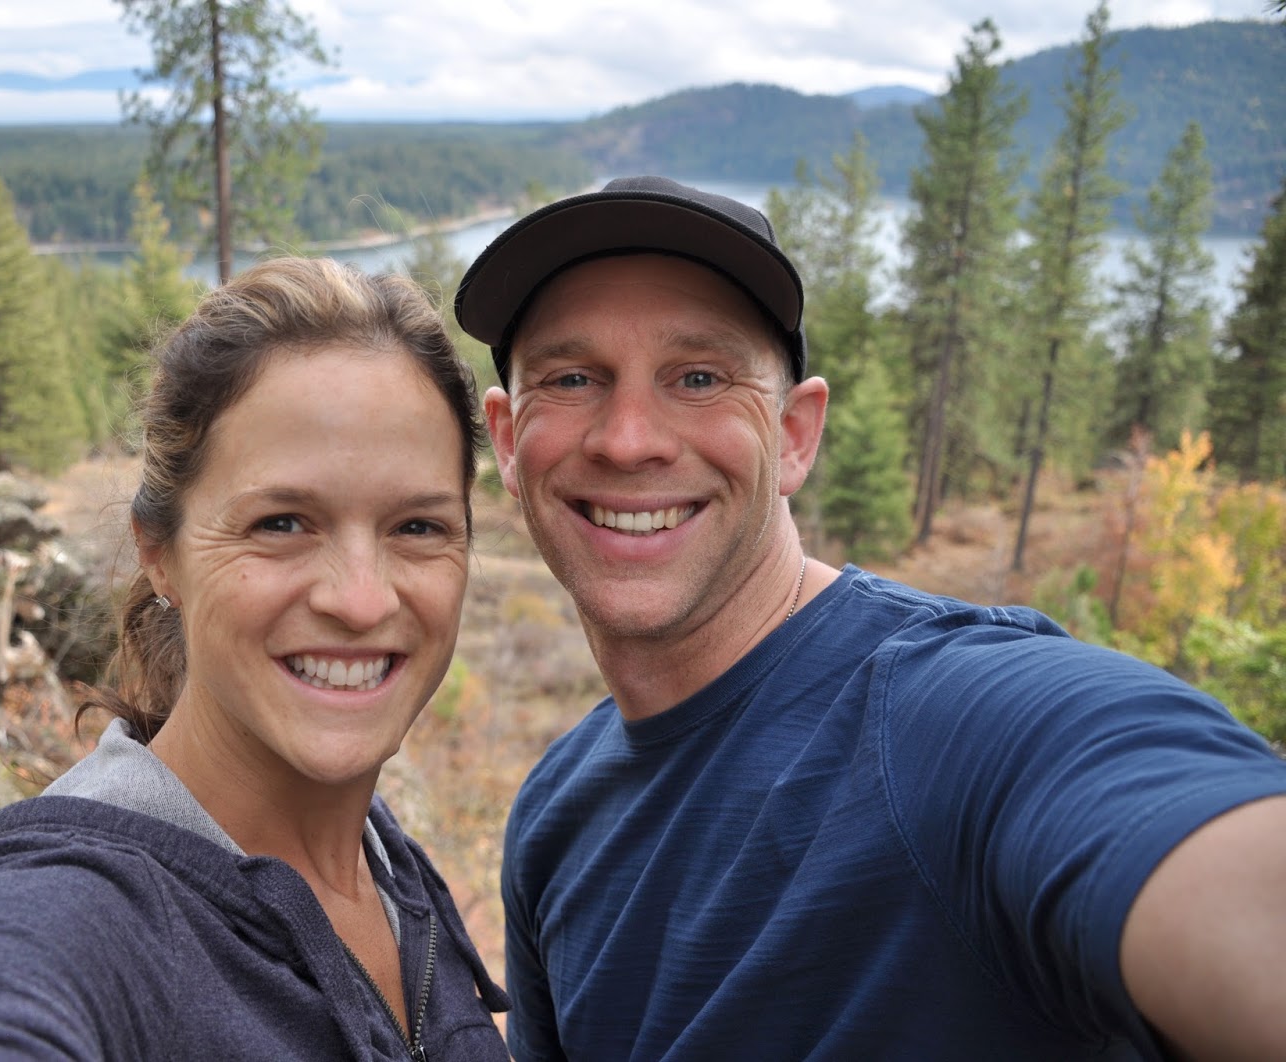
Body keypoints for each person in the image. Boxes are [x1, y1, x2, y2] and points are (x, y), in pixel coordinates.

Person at [454, 175, 1286, 1061]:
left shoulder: (953, 721)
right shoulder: (555, 815)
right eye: (573, 379)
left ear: (795, 436)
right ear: (506, 440)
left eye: (699, 378)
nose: (628, 439)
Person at [0, 257, 510, 1061]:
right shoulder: (77, 912)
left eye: (417, 527)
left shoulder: (387, 869)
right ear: (160, 553)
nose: (361, 601)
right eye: (281, 523)